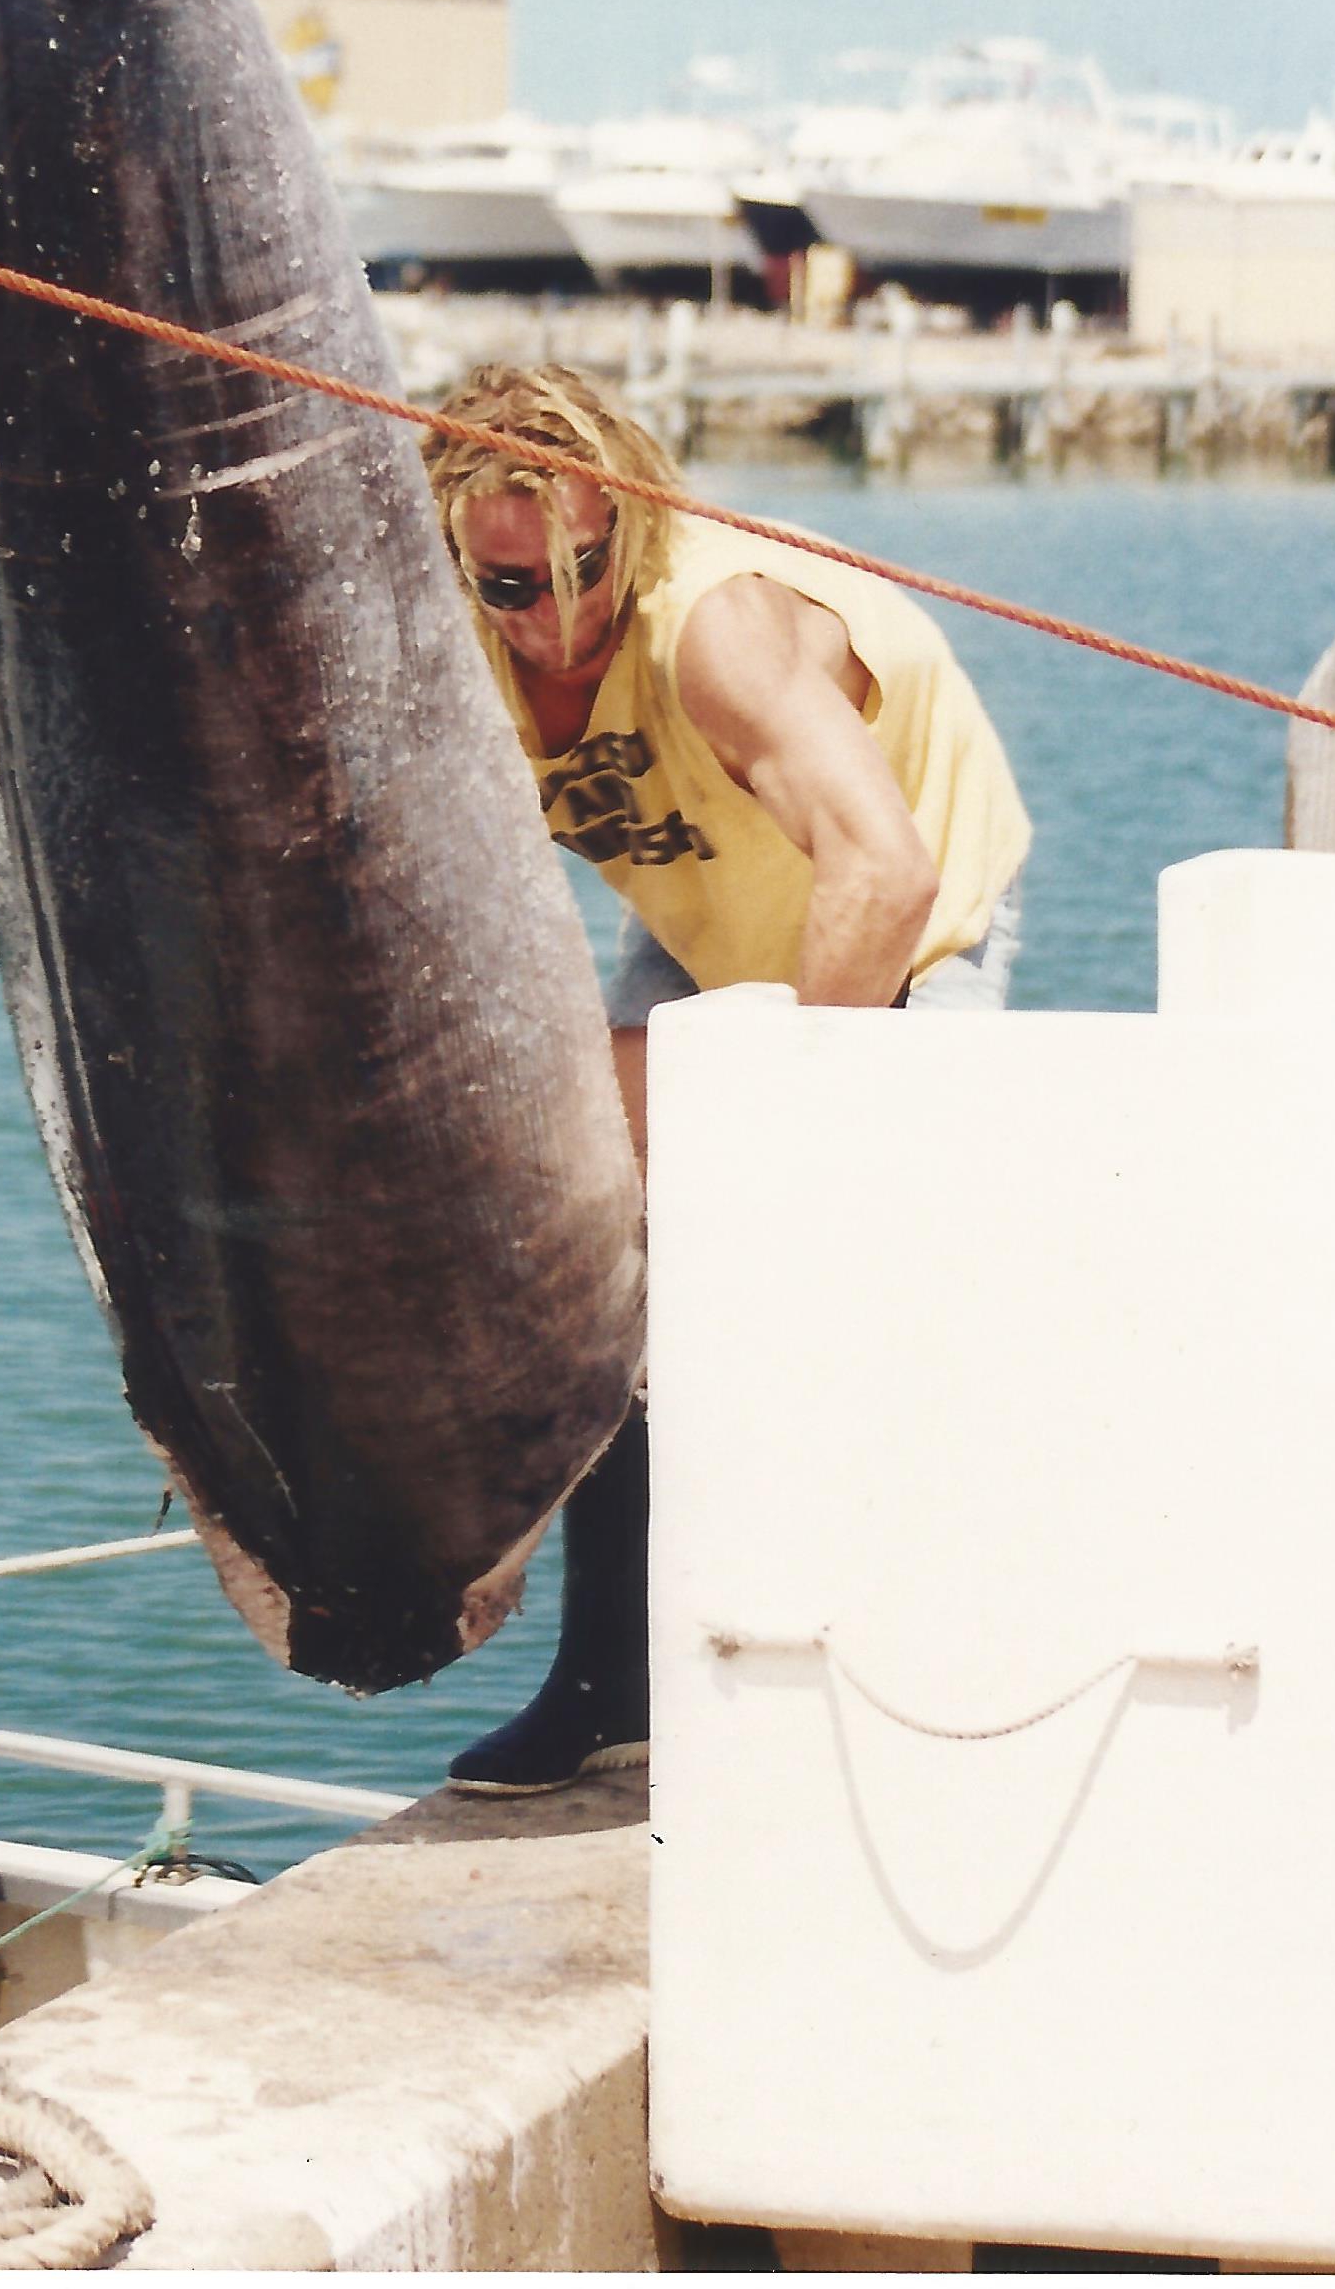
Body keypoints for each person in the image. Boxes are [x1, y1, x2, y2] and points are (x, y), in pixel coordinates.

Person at [421, 364, 1032, 1794]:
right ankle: (608, 1680)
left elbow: (882, 873)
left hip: (904, 906)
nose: (561, 616)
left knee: (848, 1271)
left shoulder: (716, 631)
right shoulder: (449, 649)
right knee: (607, 1256)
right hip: (707, 895)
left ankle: (908, 1666)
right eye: (514, 587)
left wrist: (774, 1151)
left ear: (628, 522)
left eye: (590, 565)